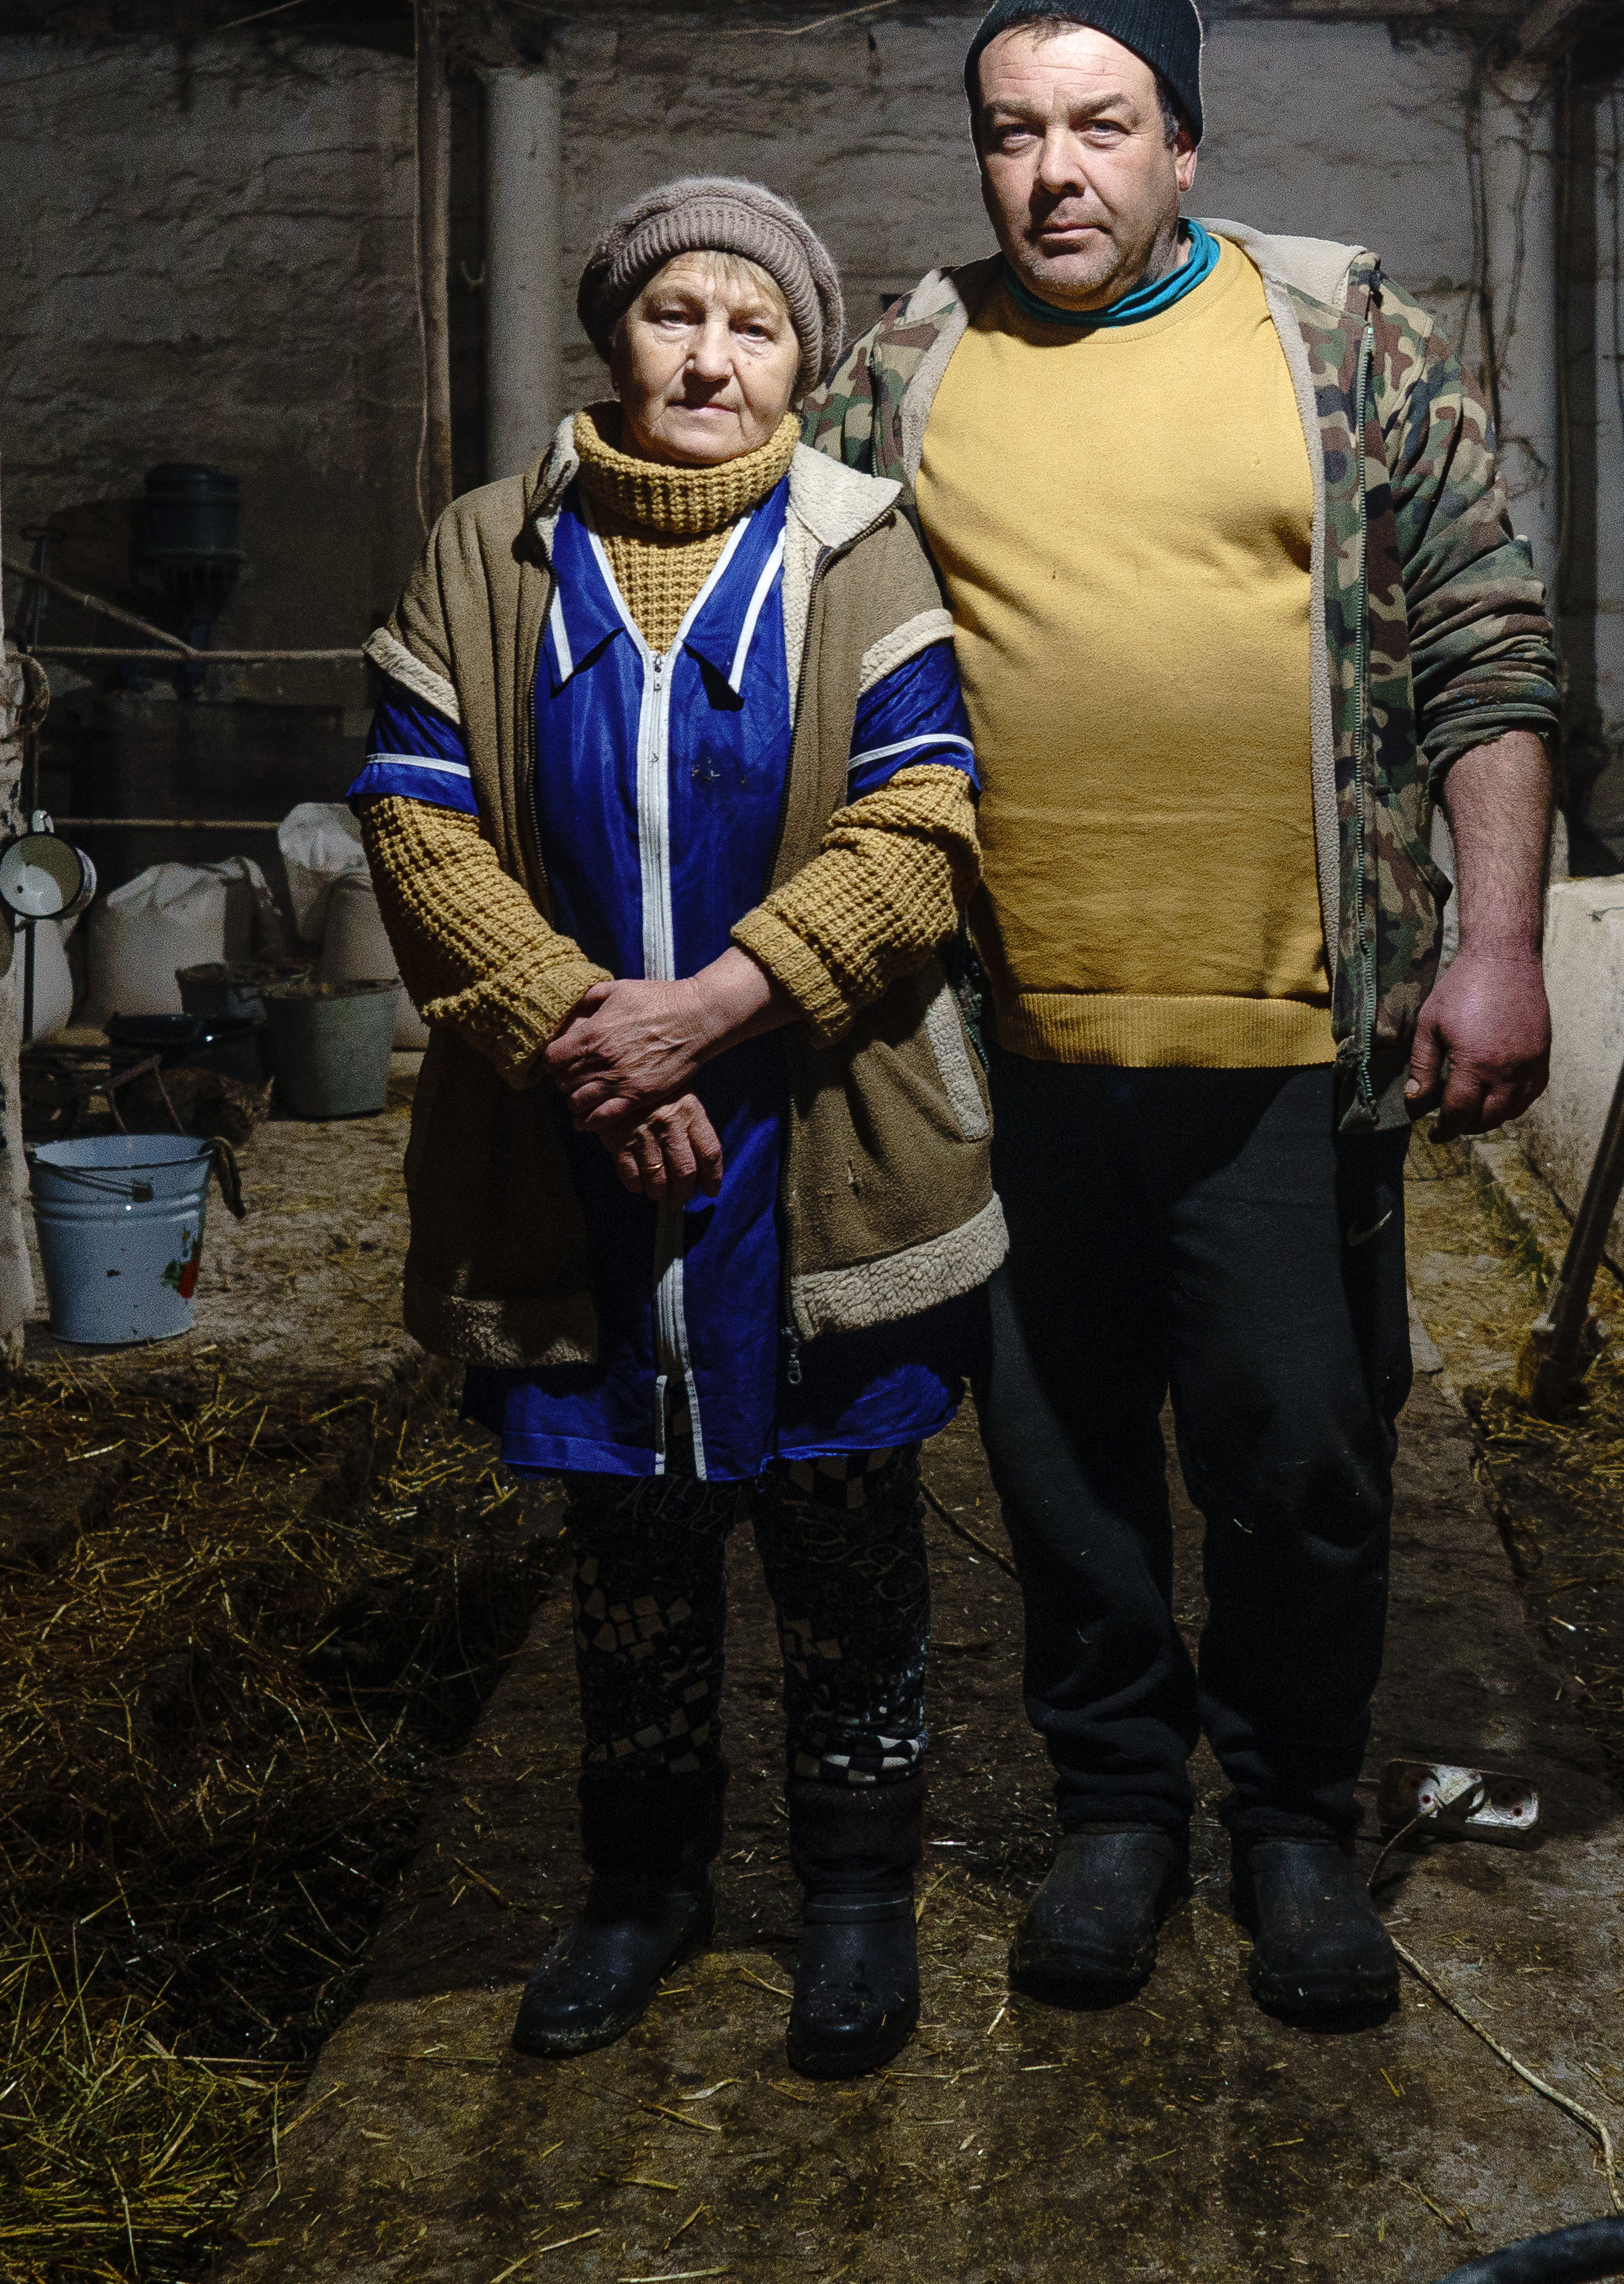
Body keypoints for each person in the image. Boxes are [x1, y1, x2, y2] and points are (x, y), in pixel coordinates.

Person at [803, 0, 1559, 2028]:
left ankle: (1297, 1822)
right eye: (1014, 130)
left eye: (1100, 125)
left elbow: (1489, 640)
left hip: (1286, 1036)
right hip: (1008, 1044)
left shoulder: (1333, 333)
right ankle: (1118, 1807)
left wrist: (1498, 945)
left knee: (1306, 1460)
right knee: (1060, 1466)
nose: (1054, 173)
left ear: (1183, 142)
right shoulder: (908, 366)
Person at [354, 174, 997, 2080]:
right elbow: (415, 817)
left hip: (812, 1126)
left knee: (845, 1520)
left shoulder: (860, 546)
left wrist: (714, 1016)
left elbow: (923, 824)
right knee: (629, 1537)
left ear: (803, 357)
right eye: (674, 315)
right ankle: (641, 1887)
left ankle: (858, 1898)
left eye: (755, 324)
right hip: (577, 1137)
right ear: (615, 336)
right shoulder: (491, 553)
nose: (710, 356)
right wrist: (582, 1039)